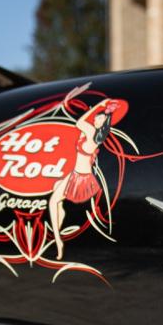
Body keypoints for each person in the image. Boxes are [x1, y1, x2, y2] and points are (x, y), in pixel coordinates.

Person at [49, 95, 124, 260]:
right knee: (56, 196)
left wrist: (99, 105)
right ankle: (58, 229)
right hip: (76, 174)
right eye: (96, 118)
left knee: (53, 201)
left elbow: (79, 122)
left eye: (99, 119)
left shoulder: (91, 132)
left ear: (103, 123)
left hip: (80, 178)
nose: (95, 120)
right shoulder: (95, 134)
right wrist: (101, 110)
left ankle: (58, 241)